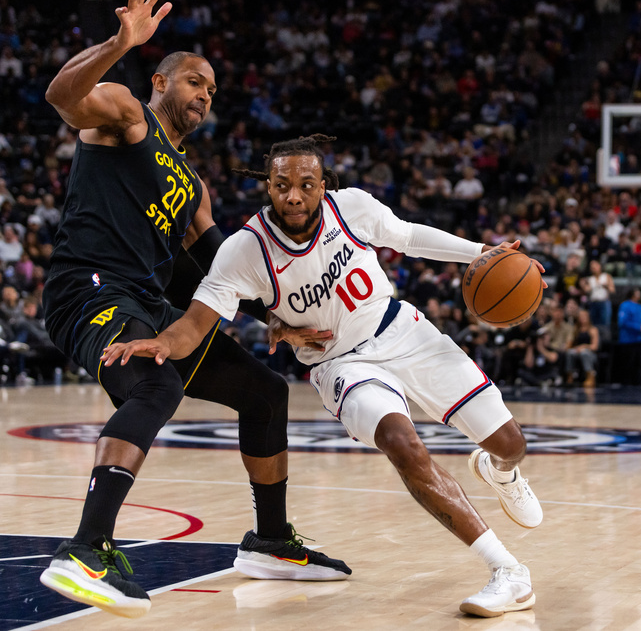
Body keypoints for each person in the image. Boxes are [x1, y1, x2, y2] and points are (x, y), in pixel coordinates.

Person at [102, 135, 544, 618]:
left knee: (509, 443)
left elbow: (410, 237)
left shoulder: (352, 208)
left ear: (323, 185)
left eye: (306, 184)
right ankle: (507, 571)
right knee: (402, 443)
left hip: (401, 330)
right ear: (268, 187)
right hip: (340, 365)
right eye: (282, 185)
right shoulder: (244, 250)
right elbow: (197, 320)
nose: (294, 195)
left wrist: (487, 253)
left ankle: (500, 470)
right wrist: (165, 343)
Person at [37, 0, 349, 619]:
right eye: (194, 82)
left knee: (264, 392)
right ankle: (85, 550)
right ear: (161, 83)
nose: (206, 94)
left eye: (212, 88)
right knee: (157, 386)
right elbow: (62, 96)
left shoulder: (192, 185)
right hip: (88, 290)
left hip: (149, 300)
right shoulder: (126, 113)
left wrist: (276, 319)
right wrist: (119, 42)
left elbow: (210, 266)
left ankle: (269, 540)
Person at [616, 287, 641, 385]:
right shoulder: (625, 306)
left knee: (639, 363)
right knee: (627, 363)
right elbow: (622, 322)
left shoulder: (640, 307)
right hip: (627, 340)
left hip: (638, 340)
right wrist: (638, 327)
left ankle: (638, 383)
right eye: (637, 292)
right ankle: (626, 383)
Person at [565, 307, 601, 387]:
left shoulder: (593, 329)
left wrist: (583, 346)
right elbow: (571, 344)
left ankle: (590, 376)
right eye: (581, 317)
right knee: (570, 353)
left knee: (584, 353)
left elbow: (595, 347)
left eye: (585, 316)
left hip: (590, 353)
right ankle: (570, 376)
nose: (583, 318)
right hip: (577, 351)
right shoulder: (576, 329)